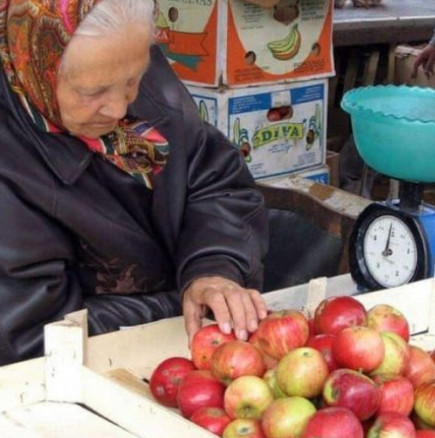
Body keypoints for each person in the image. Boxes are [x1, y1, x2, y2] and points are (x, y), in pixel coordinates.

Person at [0, 0, 269, 366]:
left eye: (132, 80)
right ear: (38, 68)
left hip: (187, 354)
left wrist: (212, 269)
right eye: (92, 92)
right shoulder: (10, 163)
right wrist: (184, 301)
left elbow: (215, 180)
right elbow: (35, 336)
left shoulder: (128, 63)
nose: (120, 109)